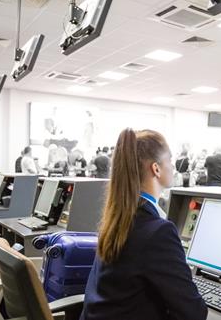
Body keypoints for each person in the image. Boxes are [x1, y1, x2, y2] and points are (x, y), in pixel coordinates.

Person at [80, 129, 207, 320]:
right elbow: (194, 313)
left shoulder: (117, 219)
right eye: (169, 160)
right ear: (156, 168)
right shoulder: (159, 232)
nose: (172, 167)